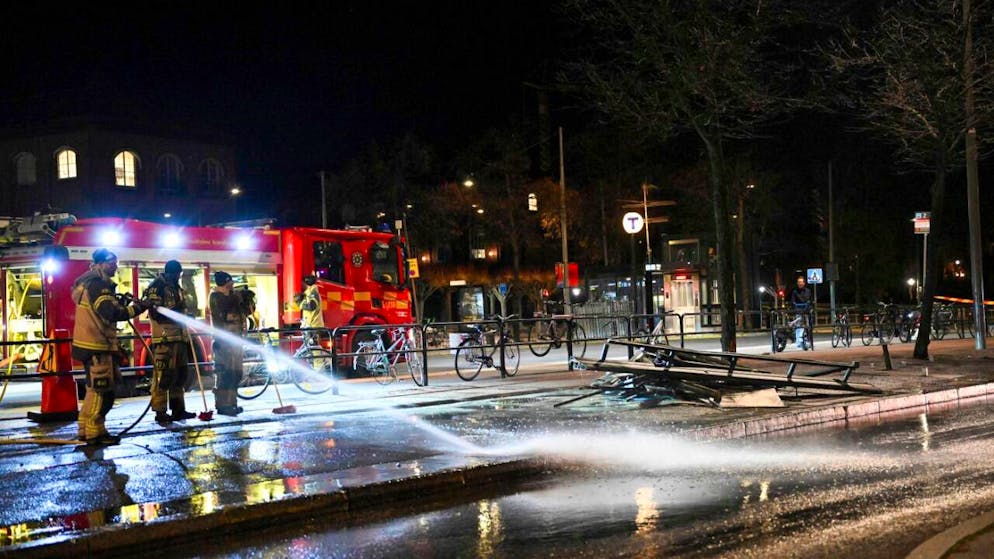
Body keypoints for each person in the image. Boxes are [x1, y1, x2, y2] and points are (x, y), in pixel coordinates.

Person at [72, 248, 149, 445]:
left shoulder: (88, 283)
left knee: (93, 390)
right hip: (98, 345)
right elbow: (111, 313)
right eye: (110, 262)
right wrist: (138, 308)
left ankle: (86, 429)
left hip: (90, 344)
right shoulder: (98, 285)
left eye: (115, 262)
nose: (115, 266)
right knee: (102, 391)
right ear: (98, 264)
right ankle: (95, 433)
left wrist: (119, 303)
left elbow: (103, 308)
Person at [144, 260, 196, 424]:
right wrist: (177, 311)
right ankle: (160, 412)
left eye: (179, 275)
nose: (178, 278)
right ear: (169, 273)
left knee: (180, 375)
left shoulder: (176, 287)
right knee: (163, 376)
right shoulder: (156, 286)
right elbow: (156, 313)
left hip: (179, 337)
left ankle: (178, 410)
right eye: (176, 275)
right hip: (164, 338)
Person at [209, 271, 247, 416]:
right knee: (225, 373)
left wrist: (246, 301)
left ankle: (232, 403)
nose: (233, 284)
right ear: (225, 282)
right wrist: (236, 297)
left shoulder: (232, 296)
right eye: (230, 282)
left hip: (236, 340)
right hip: (223, 341)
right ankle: (222, 405)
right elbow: (223, 309)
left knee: (236, 373)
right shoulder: (215, 296)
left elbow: (245, 312)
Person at [297, 275, 324, 345]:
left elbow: (311, 306)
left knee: (314, 349)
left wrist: (300, 304)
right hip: (310, 326)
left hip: (314, 326)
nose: (301, 285)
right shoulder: (309, 293)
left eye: (302, 283)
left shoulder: (313, 293)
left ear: (306, 283)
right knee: (310, 348)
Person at [789, 275, 812, 349]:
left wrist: (807, 304)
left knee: (808, 326)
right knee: (798, 326)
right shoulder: (795, 291)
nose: (800, 284)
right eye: (798, 282)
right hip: (798, 311)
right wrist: (794, 304)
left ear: (804, 283)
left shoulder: (807, 291)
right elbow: (792, 301)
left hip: (806, 311)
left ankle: (809, 340)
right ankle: (799, 342)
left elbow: (808, 299)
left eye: (801, 282)